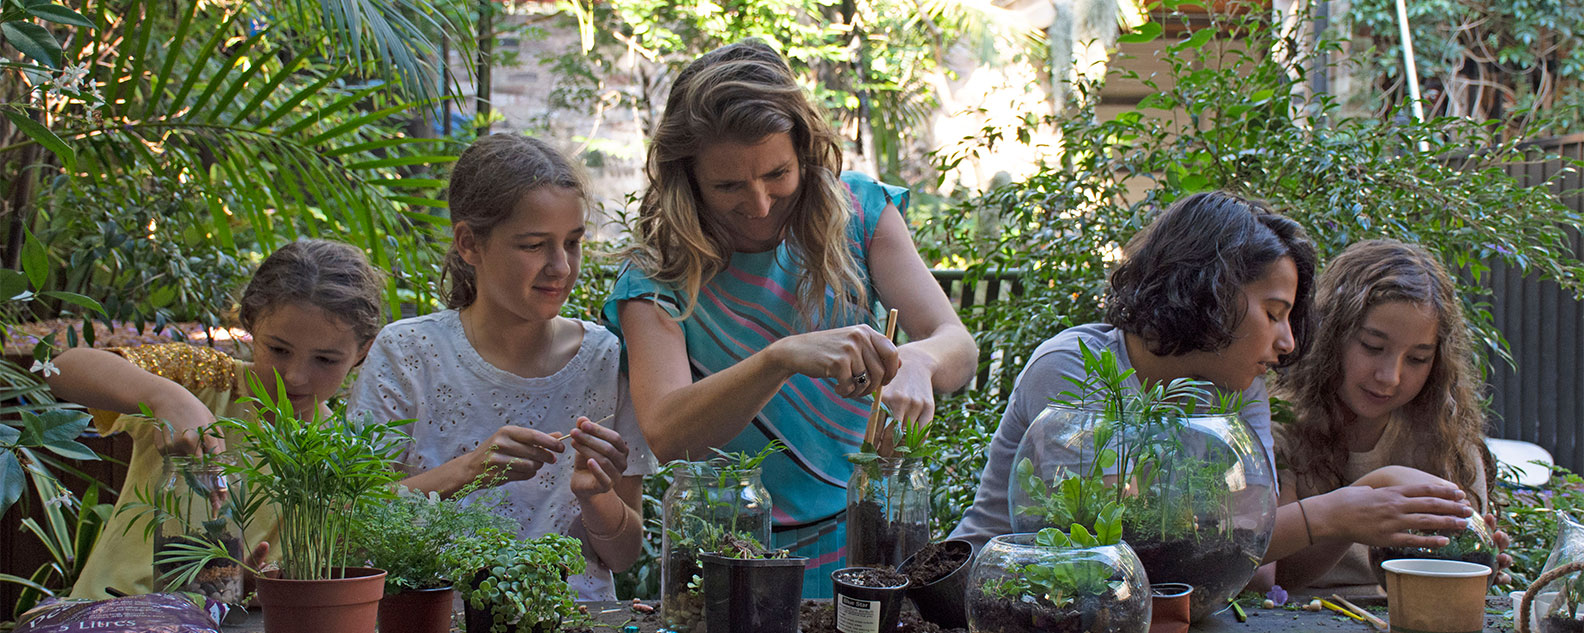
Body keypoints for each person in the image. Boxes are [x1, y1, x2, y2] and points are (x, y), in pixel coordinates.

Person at [602, 39, 977, 594]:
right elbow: (669, 435)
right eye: (728, 185)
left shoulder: (858, 212)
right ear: (687, 177)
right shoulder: (657, 277)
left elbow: (957, 346)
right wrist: (779, 359)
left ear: (804, 150)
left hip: (864, 539)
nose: (757, 203)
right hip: (726, 553)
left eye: (776, 174)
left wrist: (920, 362)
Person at [949, 193, 1474, 568]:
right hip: (990, 603)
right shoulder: (1076, 367)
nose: (1289, 342)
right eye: (1273, 313)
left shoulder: (1238, 389)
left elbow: (1253, 568)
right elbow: (1110, 553)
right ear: (1212, 294)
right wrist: (1339, 511)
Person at [345, 134, 657, 601]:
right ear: (469, 243)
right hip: (435, 617)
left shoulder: (608, 359)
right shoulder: (407, 353)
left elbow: (623, 554)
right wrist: (468, 469)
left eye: (572, 243)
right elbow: (353, 523)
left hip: (575, 619)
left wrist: (596, 497)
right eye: (534, 245)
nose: (560, 266)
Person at [46, 238, 385, 599]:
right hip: (110, 611)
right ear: (251, 322)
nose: (295, 377)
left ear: (363, 350)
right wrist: (163, 396)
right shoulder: (203, 381)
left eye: (326, 360)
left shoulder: (343, 455)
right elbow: (60, 369)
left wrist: (257, 583)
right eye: (279, 349)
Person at [1271, 239, 1509, 596]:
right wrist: (1354, 510)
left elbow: (1447, 581)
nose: (1390, 377)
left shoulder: (1447, 443)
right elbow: (1276, 574)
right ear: (1330, 335)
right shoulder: (1281, 430)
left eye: (1417, 359)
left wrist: (1479, 566)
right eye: (1372, 347)